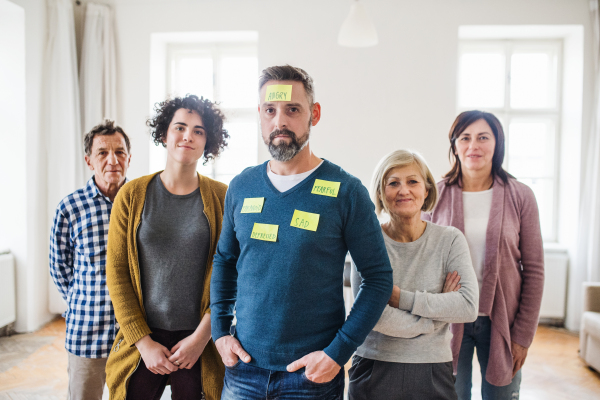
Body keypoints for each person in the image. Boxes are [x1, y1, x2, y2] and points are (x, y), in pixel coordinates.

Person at [210, 65, 393, 400]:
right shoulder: (241, 186)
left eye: (292, 109)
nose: (280, 121)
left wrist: (339, 352)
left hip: (311, 375)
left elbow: (378, 279)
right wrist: (220, 331)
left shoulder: (345, 191)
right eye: (270, 110)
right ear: (261, 117)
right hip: (243, 370)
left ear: (314, 114)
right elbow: (225, 260)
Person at [105, 94, 229, 400]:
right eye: (180, 127)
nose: (188, 136)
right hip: (145, 339)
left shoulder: (223, 197)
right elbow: (117, 273)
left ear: (208, 142)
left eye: (199, 131)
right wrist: (143, 343)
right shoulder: (131, 195)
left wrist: (202, 338)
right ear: (164, 133)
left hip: (198, 337)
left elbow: (232, 275)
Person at [424, 110, 545, 400]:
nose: (473, 145)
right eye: (464, 137)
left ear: (496, 144)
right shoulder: (434, 195)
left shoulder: (521, 196)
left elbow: (535, 269)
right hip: (449, 320)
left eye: (483, 137)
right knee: (451, 395)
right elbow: (423, 260)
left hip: (502, 321)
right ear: (454, 145)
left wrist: (523, 336)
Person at [348, 149, 479, 400]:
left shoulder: (450, 240)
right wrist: (437, 316)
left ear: (426, 190)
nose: (403, 190)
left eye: (412, 181)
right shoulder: (366, 240)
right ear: (380, 193)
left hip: (433, 368)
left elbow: (467, 306)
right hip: (374, 366)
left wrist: (401, 299)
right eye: (393, 183)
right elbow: (373, 315)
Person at [49, 120, 132, 400]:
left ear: (129, 158)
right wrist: (81, 300)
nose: (113, 160)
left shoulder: (142, 202)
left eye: (120, 152)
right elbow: (59, 267)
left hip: (133, 336)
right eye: (102, 153)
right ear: (89, 160)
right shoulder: (69, 207)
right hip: (87, 332)